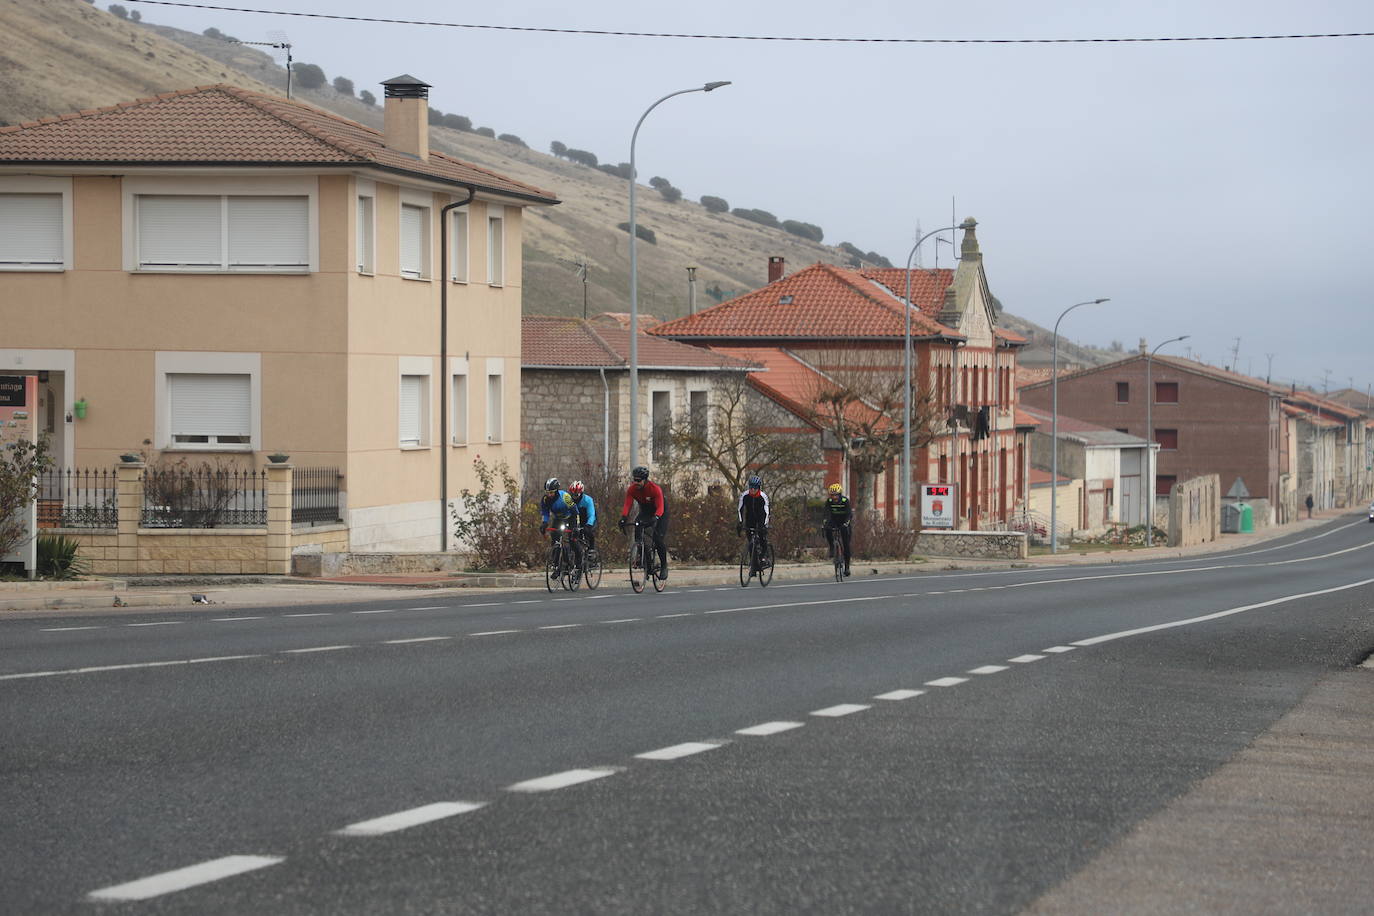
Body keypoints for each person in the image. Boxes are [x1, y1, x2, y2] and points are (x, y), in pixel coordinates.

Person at [619, 465, 668, 579]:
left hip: (660, 511)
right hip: (645, 511)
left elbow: (660, 507)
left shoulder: (654, 489)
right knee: (638, 526)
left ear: (645, 480)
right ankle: (644, 559)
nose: (636, 482)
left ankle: (664, 566)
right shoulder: (632, 489)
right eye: (634, 480)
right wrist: (623, 517)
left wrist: (656, 518)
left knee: (658, 538)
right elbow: (627, 504)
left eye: (638, 480)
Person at [736, 475, 771, 567]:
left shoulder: (763, 497)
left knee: (762, 536)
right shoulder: (744, 495)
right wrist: (740, 523)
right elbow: (740, 509)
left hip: (761, 518)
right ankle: (753, 563)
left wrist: (764, 525)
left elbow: (767, 512)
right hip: (750, 518)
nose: (752, 489)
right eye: (751, 487)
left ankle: (763, 556)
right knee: (751, 541)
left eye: (755, 487)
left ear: (758, 488)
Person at [539, 477, 579, 553]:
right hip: (558, 519)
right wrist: (544, 522)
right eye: (547, 492)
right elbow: (545, 512)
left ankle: (578, 563)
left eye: (551, 492)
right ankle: (555, 562)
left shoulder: (565, 497)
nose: (549, 495)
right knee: (554, 540)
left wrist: (576, 526)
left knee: (573, 541)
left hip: (570, 517)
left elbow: (575, 512)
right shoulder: (545, 499)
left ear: (556, 491)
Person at [822, 481, 853, 577]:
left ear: (840, 495)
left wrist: (846, 523)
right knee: (827, 528)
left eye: (836, 495)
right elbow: (826, 513)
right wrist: (825, 523)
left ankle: (847, 567)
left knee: (846, 545)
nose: (834, 497)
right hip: (834, 520)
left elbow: (849, 514)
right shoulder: (829, 502)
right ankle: (832, 547)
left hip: (844, 521)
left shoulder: (845, 501)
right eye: (832, 495)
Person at [567, 480, 597, 556]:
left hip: (587, 519)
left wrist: (589, 524)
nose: (574, 497)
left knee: (588, 532)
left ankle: (591, 550)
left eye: (576, 495)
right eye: (572, 495)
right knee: (572, 535)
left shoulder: (587, 500)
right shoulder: (569, 500)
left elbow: (591, 514)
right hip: (575, 520)